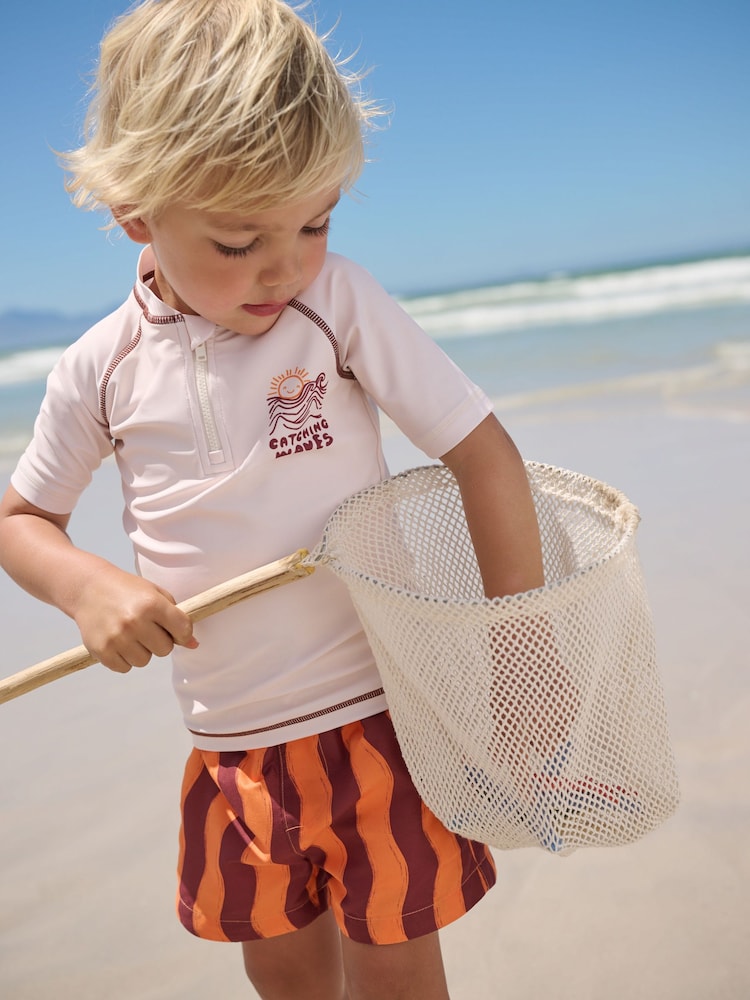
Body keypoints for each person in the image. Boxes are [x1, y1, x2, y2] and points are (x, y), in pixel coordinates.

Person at [0, 1, 544, 996]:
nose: (286, 265)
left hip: (382, 721)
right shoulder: (99, 369)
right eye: (239, 239)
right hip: (233, 752)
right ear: (136, 214)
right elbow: (23, 521)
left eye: (315, 223)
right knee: (286, 978)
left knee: (400, 980)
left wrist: (522, 668)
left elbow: (485, 456)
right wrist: (87, 589)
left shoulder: (336, 306)